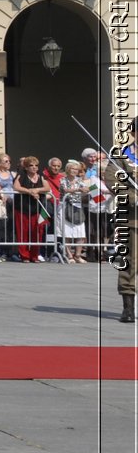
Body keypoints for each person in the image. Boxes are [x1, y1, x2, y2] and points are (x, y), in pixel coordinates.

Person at [100, 120, 136, 322]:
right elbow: (112, 180)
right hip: (132, 219)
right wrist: (133, 198)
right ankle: (128, 307)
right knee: (130, 263)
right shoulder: (121, 155)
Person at [12, 156, 54, 262]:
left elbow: (47, 188)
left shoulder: (41, 176)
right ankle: (25, 255)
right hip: (22, 208)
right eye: (31, 165)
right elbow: (16, 187)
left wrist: (36, 190)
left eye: (36, 165)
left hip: (38, 208)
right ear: (26, 167)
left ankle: (34, 255)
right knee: (23, 232)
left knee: (37, 232)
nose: (34, 167)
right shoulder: (21, 175)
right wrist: (29, 191)